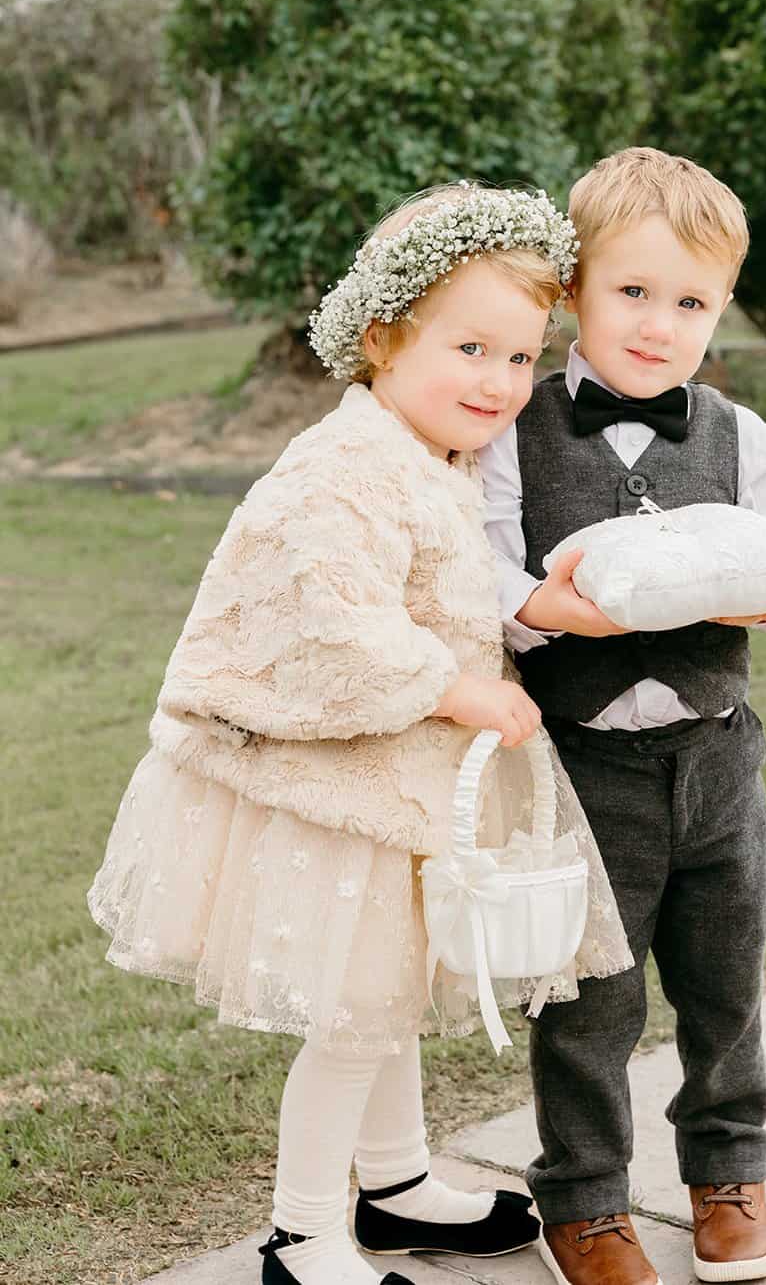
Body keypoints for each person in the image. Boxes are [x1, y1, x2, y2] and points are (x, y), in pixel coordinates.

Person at [88, 183, 632, 1285]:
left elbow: (453, 583)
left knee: (385, 998)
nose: (498, 381)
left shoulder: (429, 454)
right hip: (336, 792)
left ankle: (392, 1182)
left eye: (520, 358)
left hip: (398, 788)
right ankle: (301, 1232)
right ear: (381, 339)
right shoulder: (341, 469)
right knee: (353, 1014)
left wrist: (527, 612)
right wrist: (457, 688)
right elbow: (330, 618)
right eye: (470, 347)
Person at [479, 149, 766, 1285]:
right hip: (582, 769)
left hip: (718, 759)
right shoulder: (512, 436)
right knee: (588, 996)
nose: (657, 323)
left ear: (719, 310)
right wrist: (557, 613)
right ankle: (582, 1200)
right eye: (633, 291)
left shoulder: (744, 441)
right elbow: (480, 578)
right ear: (575, 290)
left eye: (690, 302)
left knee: (724, 983)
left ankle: (728, 1172)